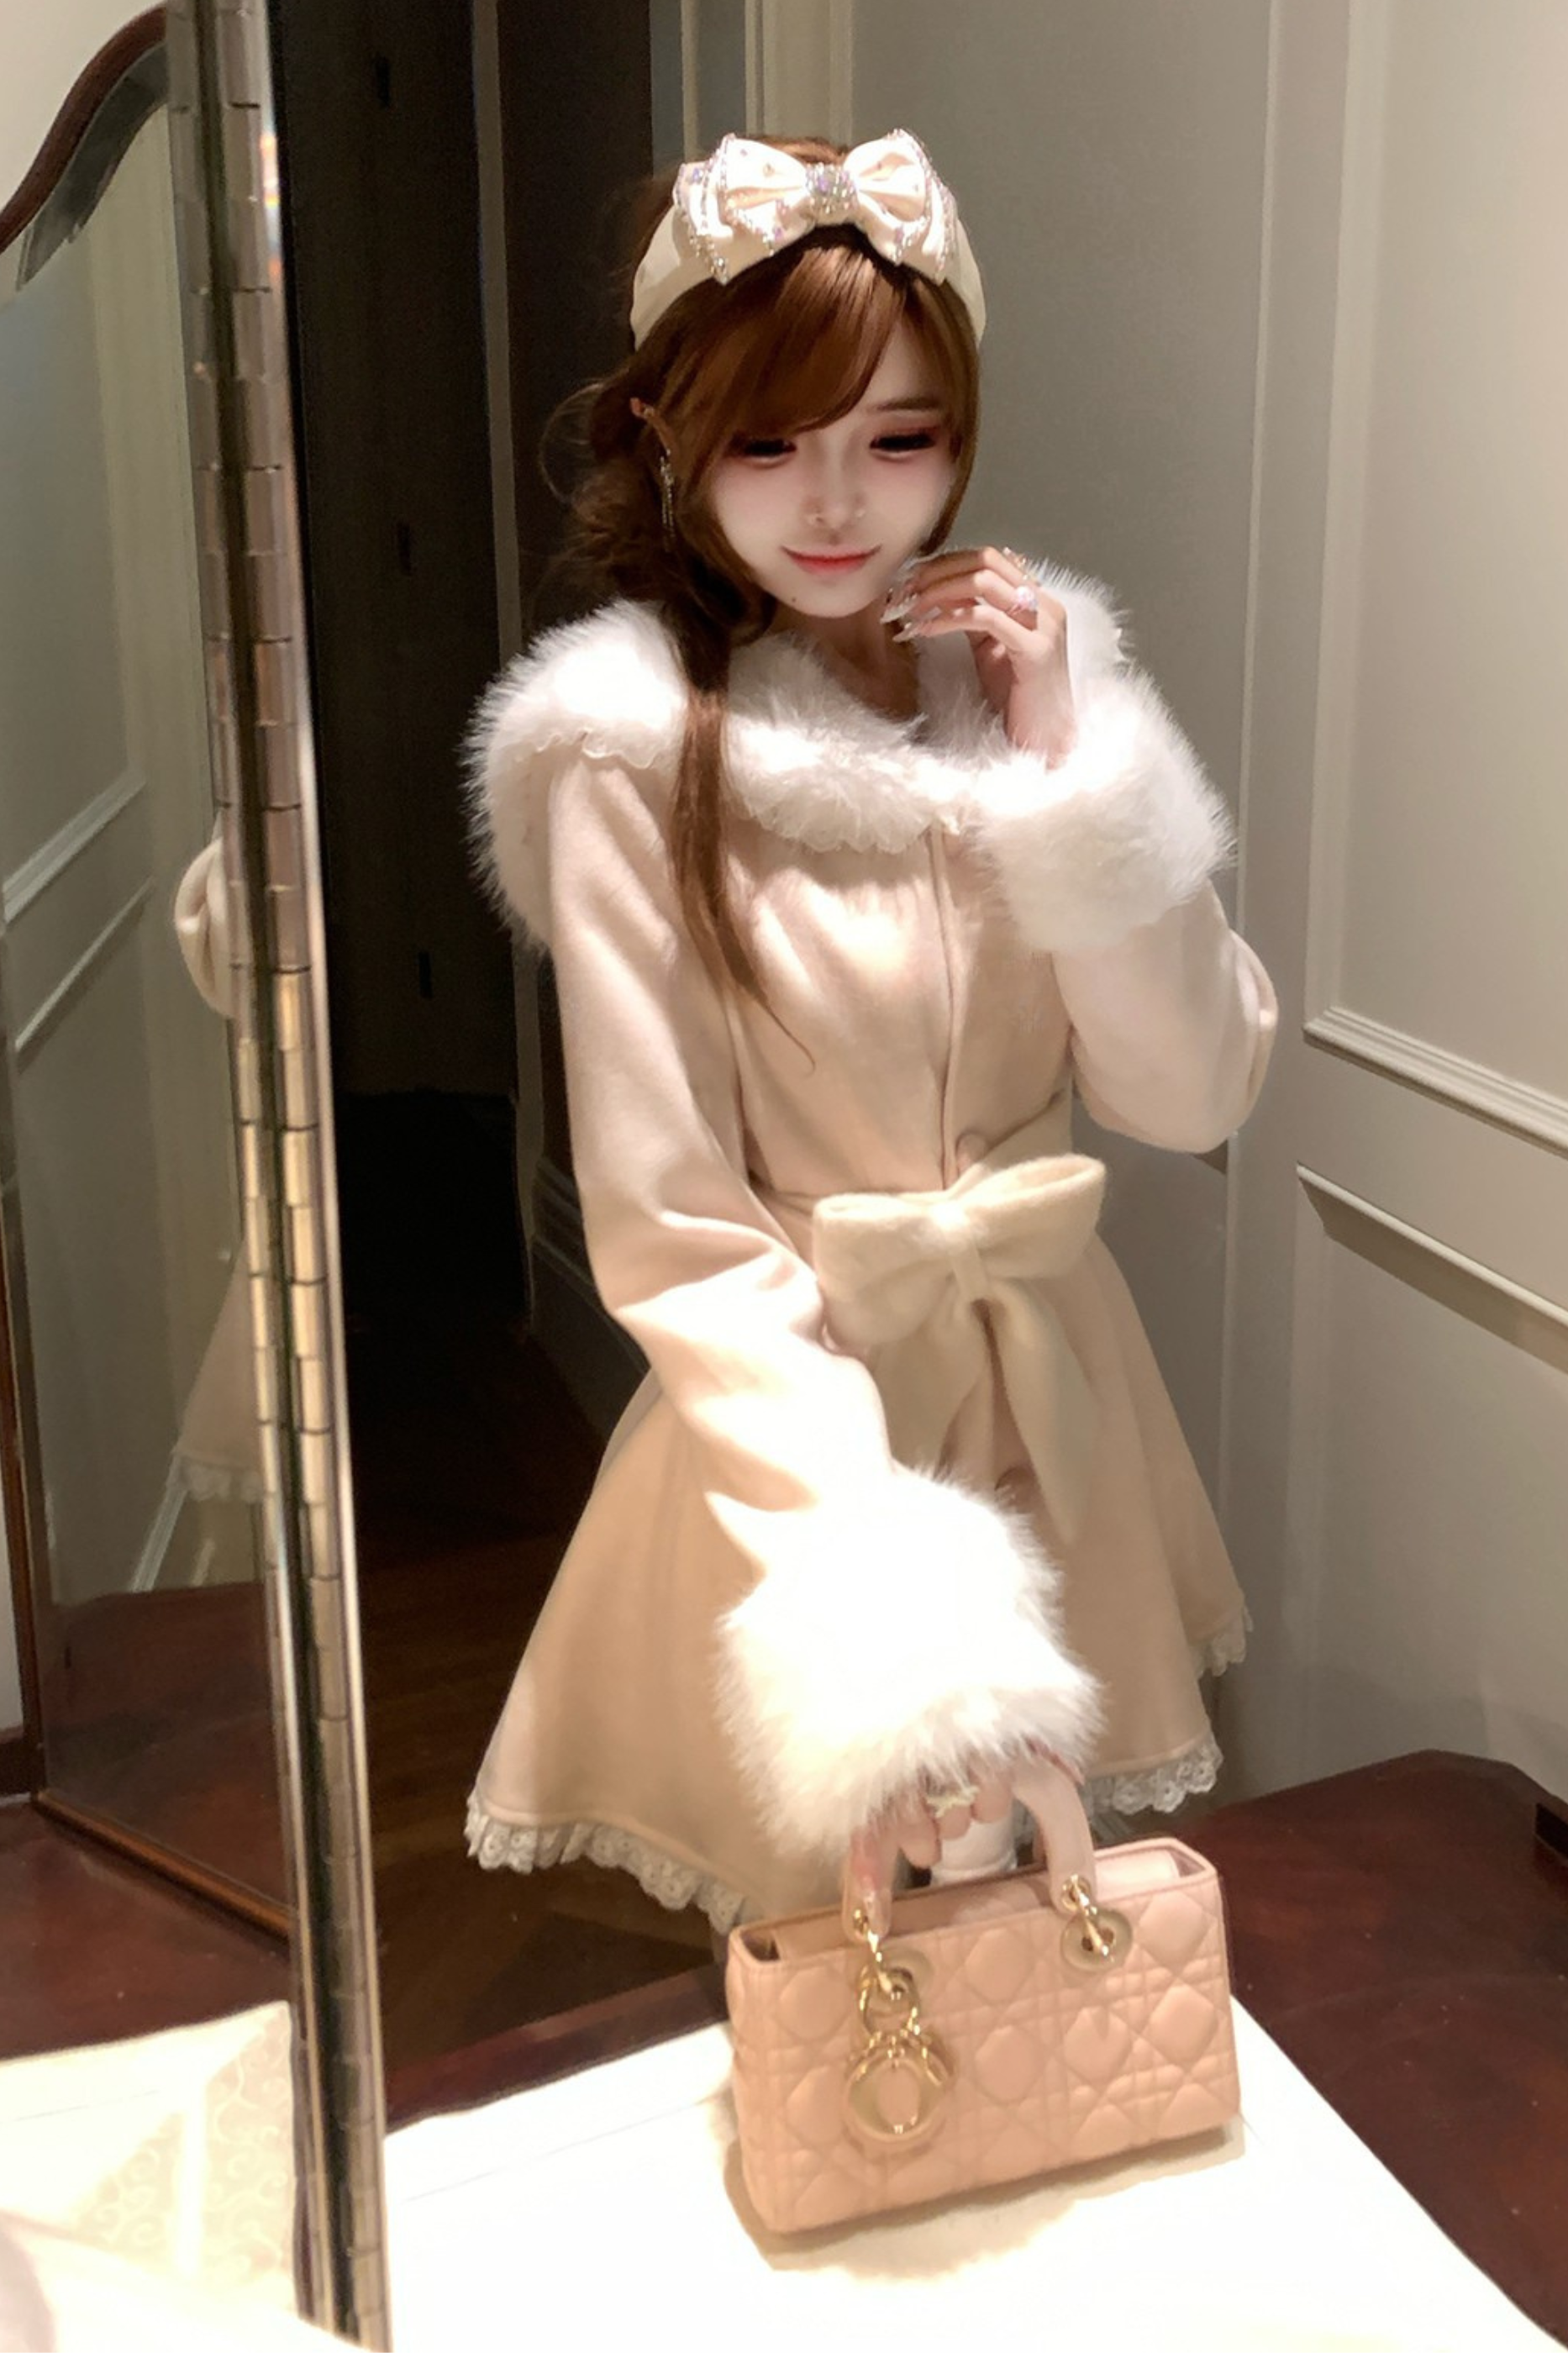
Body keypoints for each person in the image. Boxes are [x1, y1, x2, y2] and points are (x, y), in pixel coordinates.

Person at [462, 130, 1279, 1931]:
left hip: (1061, 1398)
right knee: (841, 1969)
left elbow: (1191, 1088)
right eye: (767, 442)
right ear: (669, 435)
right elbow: (673, 1226)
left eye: (898, 439)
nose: (836, 503)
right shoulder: (626, 747)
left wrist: (1073, 769)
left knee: (1059, 1957)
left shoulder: (1029, 697)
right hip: (804, 1454)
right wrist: (901, 1619)